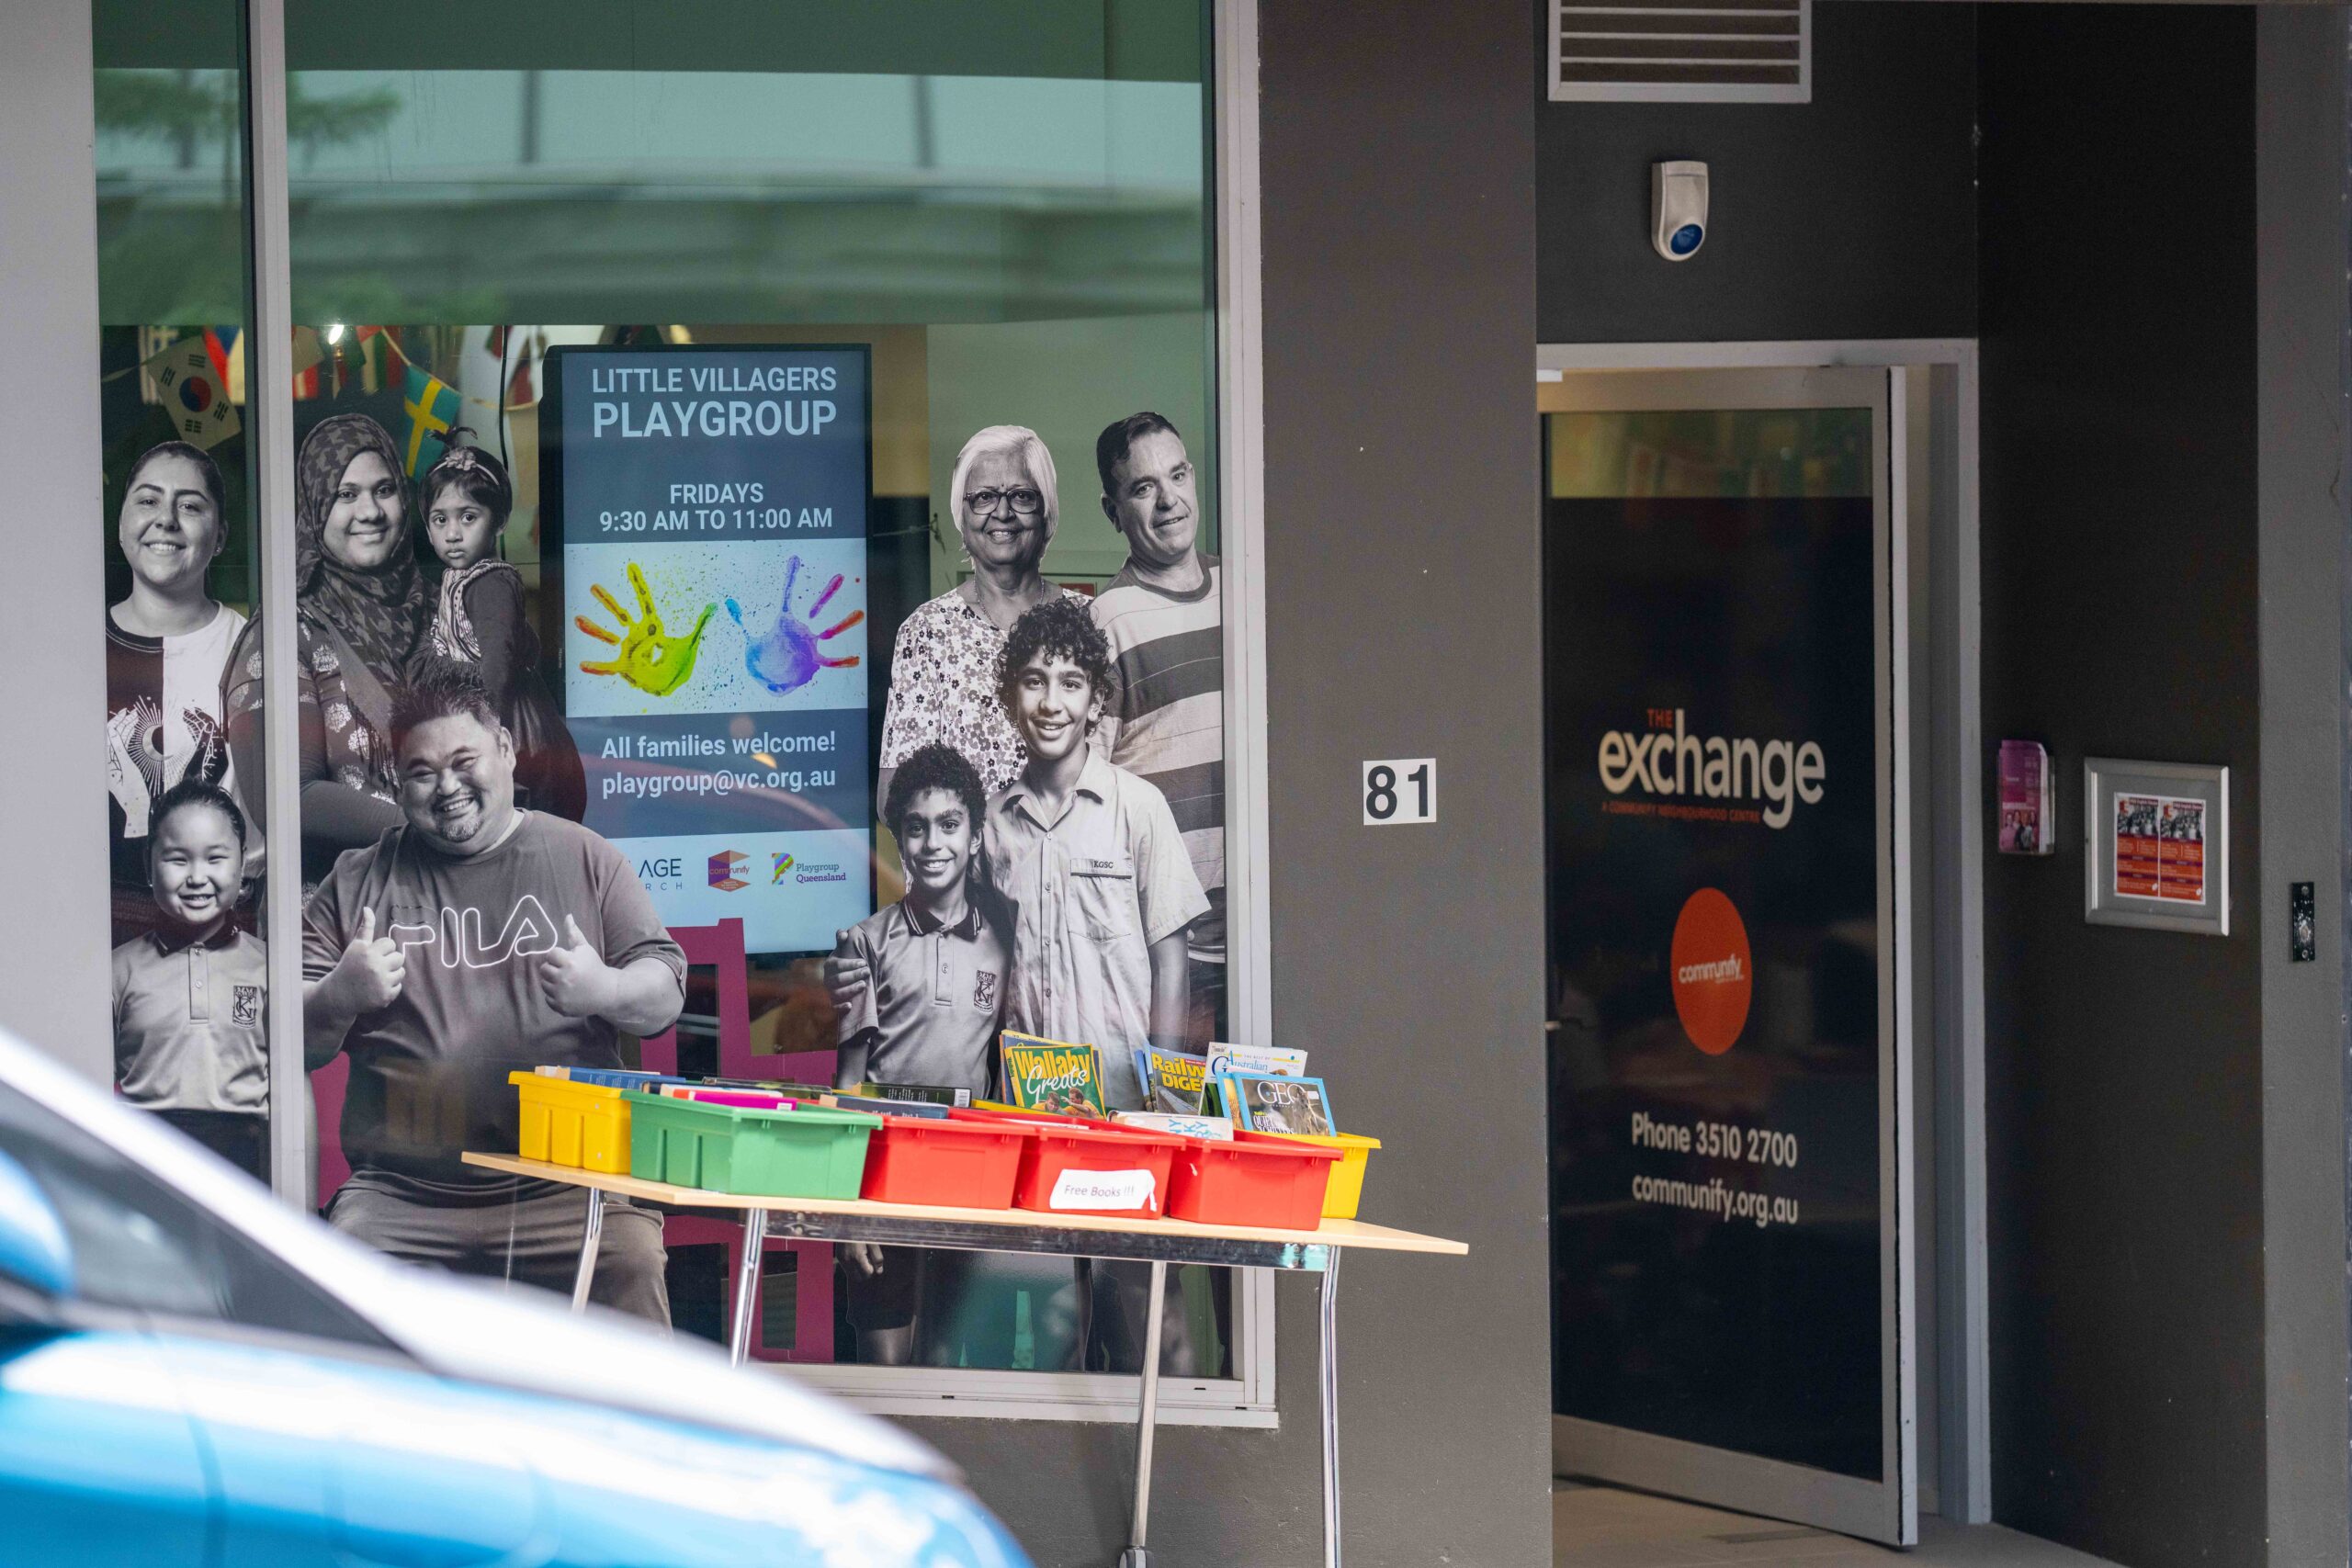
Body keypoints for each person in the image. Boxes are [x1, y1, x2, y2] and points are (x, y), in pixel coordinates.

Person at [300, 666, 684, 1324]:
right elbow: (290, 1042)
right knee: (340, 1276)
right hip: (401, 1196)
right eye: (422, 771)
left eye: (463, 760)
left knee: (633, 1257)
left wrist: (606, 987)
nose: (446, 786)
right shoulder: (357, 879)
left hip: (568, 1187)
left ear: (505, 750)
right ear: (398, 782)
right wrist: (342, 993)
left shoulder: (585, 857)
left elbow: (664, 993)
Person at [987, 597, 1207, 1111]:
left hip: (1123, 1099)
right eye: (1034, 680)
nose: (1051, 703)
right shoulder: (993, 824)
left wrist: (1163, 1096)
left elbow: (1170, 961)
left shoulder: (1139, 807)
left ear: (1095, 700)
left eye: (1071, 682)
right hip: (1025, 1103)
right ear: (1011, 694)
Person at [829, 741, 1008, 1366]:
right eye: (917, 827)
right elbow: (848, 1081)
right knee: (885, 1368)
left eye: (950, 825)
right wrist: (850, 1212)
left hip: (966, 1181)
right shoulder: (865, 944)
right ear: (900, 841)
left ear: (976, 837)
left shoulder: (1005, 944)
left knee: (946, 1363)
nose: (934, 842)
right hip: (882, 1180)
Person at [224, 412, 432, 889]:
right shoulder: (284, 632)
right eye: (346, 494)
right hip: (340, 918)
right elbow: (287, 796)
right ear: (316, 506)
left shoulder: (443, 608)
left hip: (462, 913)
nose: (370, 512)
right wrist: (435, 827)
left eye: (384, 490)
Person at [1088, 413, 1226, 1044]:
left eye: (1177, 475)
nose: (1169, 499)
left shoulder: (1244, 589)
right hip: (1174, 954)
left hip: (1262, 937)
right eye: (1144, 487)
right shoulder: (1107, 621)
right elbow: (1090, 799)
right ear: (1113, 511)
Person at [874, 424, 1081, 814]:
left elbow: (1118, 777)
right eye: (983, 497)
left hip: (1065, 866)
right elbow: (894, 799)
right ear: (961, 515)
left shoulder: (1088, 623)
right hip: (968, 870)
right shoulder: (927, 632)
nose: (1001, 512)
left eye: (1021, 496)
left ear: (1046, 511)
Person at [106, 440, 244, 943]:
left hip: (226, 933)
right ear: (120, 524)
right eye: (147, 500)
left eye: (189, 505)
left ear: (221, 535)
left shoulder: (252, 649)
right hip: (96, 923)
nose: (166, 518)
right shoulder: (77, 650)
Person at [418, 432, 586, 821]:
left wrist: (481, 739)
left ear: (499, 521)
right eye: (439, 520)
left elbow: (496, 669)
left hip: (513, 730)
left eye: (468, 517)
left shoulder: (489, 583)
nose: (453, 533)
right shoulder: (458, 579)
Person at [112, 780, 268, 1182]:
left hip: (247, 1163)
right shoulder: (117, 970)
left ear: (243, 863)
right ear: (150, 867)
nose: (197, 877)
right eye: (178, 860)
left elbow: (296, 1086)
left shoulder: (270, 967)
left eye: (215, 858)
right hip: (145, 1164)